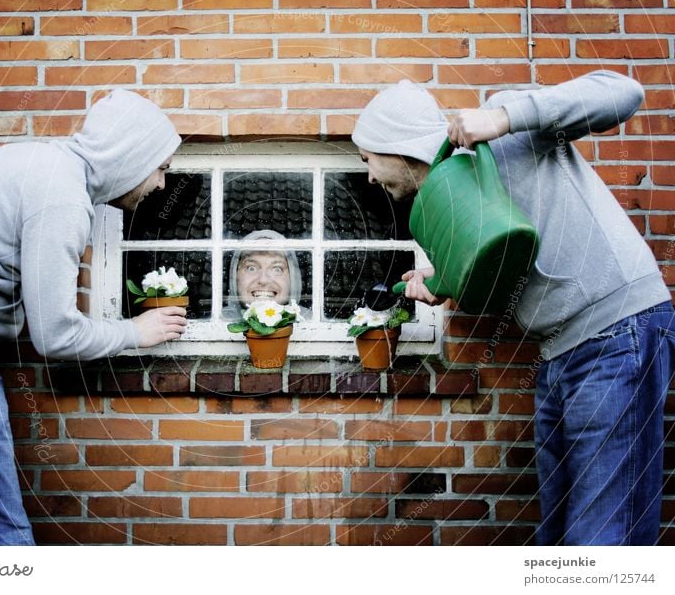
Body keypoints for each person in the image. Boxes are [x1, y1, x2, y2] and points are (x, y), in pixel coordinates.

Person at [352, 72, 674, 545]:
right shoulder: (449, 198)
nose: (369, 175)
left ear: (394, 146)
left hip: (616, 332)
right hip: (561, 352)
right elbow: (505, 274)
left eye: (367, 159)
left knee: (606, 532)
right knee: (560, 530)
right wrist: (442, 283)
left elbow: (626, 92)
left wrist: (504, 118)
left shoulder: (504, 130)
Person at [0, 90, 188, 545]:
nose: (162, 183)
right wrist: (133, 332)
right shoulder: (62, 197)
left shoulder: (39, 162)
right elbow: (55, 335)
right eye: (160, 167)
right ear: (130, 156)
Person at [226, 230, 302, 315]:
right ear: (235, 276)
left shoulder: (311, 321)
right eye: (251, 268)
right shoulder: (215, 321)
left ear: (293, 277)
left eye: (277, 269)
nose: (263, 280)